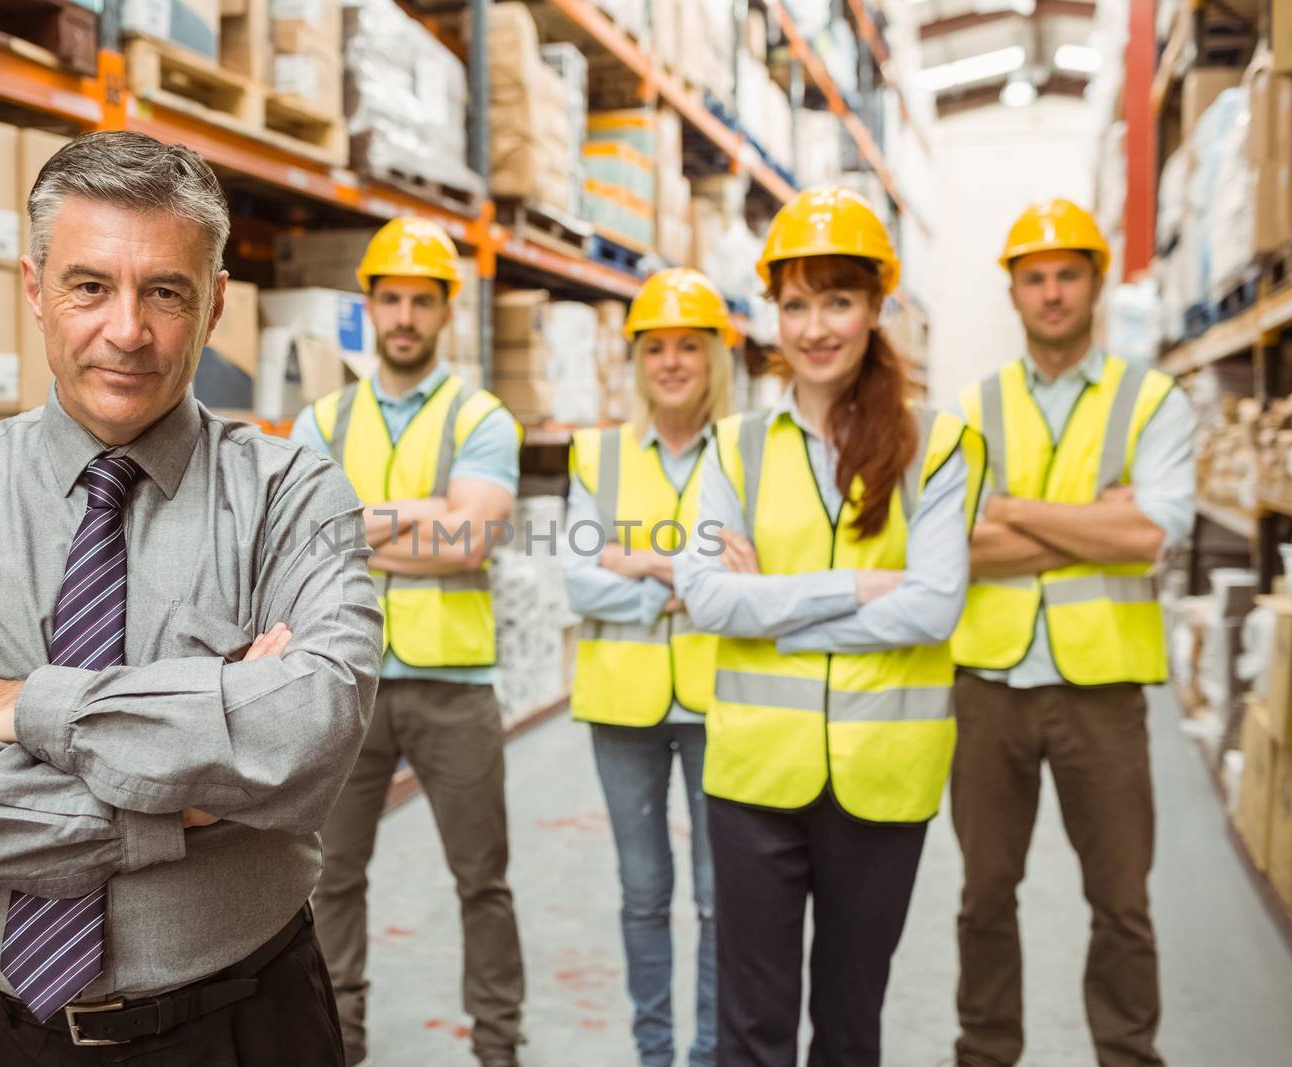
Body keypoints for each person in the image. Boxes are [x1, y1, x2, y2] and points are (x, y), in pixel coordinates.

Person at [0, 131, 382, 1065]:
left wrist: (17, 704)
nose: (127, 330)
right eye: (89, 287)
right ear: (33, 289)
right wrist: (178, 791)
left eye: (166, 291)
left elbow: (311, 732)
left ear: (216, 304)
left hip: (246, 1023)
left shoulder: (294, 495)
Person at [675, 188, 985, 1067]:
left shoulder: (940, 443)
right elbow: (706, 597)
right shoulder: (731, 447)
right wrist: (856, 585)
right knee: (751, 1029)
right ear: (773, 312)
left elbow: (934, 606)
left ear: (877, 307)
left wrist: (774, 603)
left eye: (838, 300)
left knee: (851, 1029)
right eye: (797, 303)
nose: (815, 327)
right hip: (754, 781)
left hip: (883, 778)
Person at [949, 200, 1195, 1067]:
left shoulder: (1152, 399)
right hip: (990, 687)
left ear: (1095, 281)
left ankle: (1128, 1055)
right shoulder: (973, 406)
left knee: (1121, 899)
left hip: (1103, 691)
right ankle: (984, 1052)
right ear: (1013, 292)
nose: (1052, 293)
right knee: (984, 894)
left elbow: (1150, 537)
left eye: (1068, 274)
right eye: (1034, 277)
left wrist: (1011, 513)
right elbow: (957, 549)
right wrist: (1092, 519)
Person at [293, 217, 526, 1067]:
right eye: (389, 298)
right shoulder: (320, 419)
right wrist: (427, 515)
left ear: (444, 312)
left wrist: (353, 524)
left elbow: (471, 540)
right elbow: (299, 542)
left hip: (455, 684)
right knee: (330, 878)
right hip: (343, 682)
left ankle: (498, 1047)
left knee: (482, 881)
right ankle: (339, 1043)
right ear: (370, 307)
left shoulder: (481, 415)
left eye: (420, 301)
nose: (403, 315)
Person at [563, 268, 732, 1067]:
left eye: (688, 346)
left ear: (714, 357)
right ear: (637, 359)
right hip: (622, 704)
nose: (671, 361)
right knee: (643, 893)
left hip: (721, 703)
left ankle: (708, 1054)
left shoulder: (747, 449)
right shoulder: (597, 454)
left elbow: (751, 574)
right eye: (655, 346)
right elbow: (578, 578)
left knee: (718, 897)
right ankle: (655, 1053)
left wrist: (637, 564)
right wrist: (684, 579)